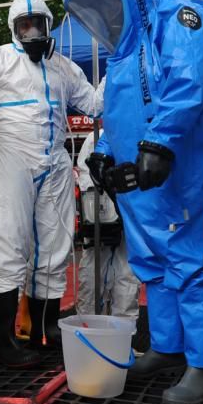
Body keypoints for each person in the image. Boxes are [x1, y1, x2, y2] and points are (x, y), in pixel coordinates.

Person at [64, 0, 203, 404]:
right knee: (152, 267)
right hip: (138, 183)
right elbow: (118, 118)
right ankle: (168, 346)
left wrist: (160, 143)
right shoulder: (124, 53)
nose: (104, 10)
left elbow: (190, 80)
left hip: (176, 171)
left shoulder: (177, 19)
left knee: (186, 262)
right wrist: (102, 154)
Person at [0, 0, 102, 367]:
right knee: (7, 239)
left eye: (37, 23)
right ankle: (5, 342)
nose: (31, 31)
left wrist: (121, 76)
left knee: (55, 245)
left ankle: (46, 331)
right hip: (12, 156)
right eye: (23, 24)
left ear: (47, 24)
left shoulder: (64, 68)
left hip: (56, 161)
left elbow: (93, 104)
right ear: (15, 28)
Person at [75, 126, 140, 324]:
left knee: (127, 279)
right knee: (93, 279)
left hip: (129, 223)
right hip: (100, 223)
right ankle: (89, 334)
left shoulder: (135, 132)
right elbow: (87, 180)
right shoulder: (95, 139)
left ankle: (122, 340)